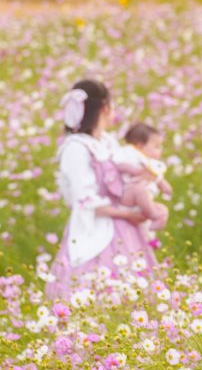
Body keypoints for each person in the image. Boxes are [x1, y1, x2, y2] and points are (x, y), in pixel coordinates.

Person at [46, 79, 159, 301]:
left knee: (133, 290)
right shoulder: (76, 148)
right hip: (96, 228)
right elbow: (84, 198)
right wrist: (126, 214)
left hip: (123, 224)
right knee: (98, 290)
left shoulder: (106, 142)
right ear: (105, 108)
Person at [112, 123, 171, 238]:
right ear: (139, 145)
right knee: (140, 189)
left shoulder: (150, 162)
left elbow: (157, 176)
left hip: (142, 201)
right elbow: (118, 164)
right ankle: (153, 214)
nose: (160, 150)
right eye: (156, 146)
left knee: (163, 209)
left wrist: (164, 186)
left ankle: (152, 225)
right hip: (128, 193)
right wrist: (135, 170)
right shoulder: (129, 152)